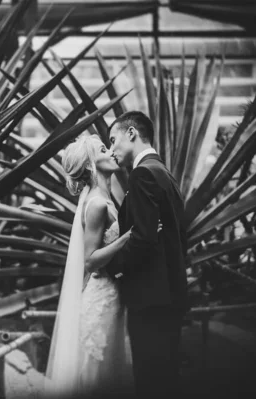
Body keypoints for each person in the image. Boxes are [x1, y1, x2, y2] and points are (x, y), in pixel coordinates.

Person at [44, 133, 149, 398]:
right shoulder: (97, 205)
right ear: (92, 164)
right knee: (96, 375)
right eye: (104, 148)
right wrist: (126, 238)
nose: (112, 151)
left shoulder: (105, 197)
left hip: (113, 296)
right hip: (102, 298)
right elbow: (90, 261)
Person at [105, 111, 189, 399]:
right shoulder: (163, 172)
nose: (111, 149)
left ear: (131, 133)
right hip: (170, 295)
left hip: (150, 300)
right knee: (166, 380)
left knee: (151, 382)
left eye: (113, 140)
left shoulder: (142, 174)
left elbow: (143, 239)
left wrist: (112, 268)